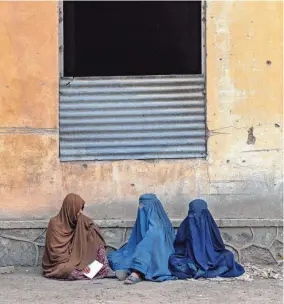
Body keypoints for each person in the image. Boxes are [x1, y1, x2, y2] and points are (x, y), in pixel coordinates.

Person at [108, 193, 176, 284]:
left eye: (144, 206)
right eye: (140, 205)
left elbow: (145, 247)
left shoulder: (158, 228)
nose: (141, 208)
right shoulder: (143, 221)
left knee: (141, 252)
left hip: (159, 259)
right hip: (140, 253)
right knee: (115, 256)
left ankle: (136, 273)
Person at [42, 193, 113, 280]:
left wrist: (86, 263)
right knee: (67, 270)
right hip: (60, 264)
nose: (79, 213)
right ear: (70, 209)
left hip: (78, 259)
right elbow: (55, 254)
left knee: (94, 233)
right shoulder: (54, 224)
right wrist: (80, 265)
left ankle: (97, 270)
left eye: (80, 210)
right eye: (77, 210)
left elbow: (90, 226)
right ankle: (98, 272)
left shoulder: (79, 220)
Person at [169, 199, 245, 279]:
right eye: (192, 213)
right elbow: (179, 244)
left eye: (200, 213)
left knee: (228, 256)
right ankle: (207, 270)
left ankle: (198, 270)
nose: (195, 216)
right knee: (173, 261)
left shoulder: (209, 224)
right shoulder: (186, 224)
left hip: (212, 257)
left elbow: (218, 244)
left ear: (206, 212)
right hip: (190, 257)